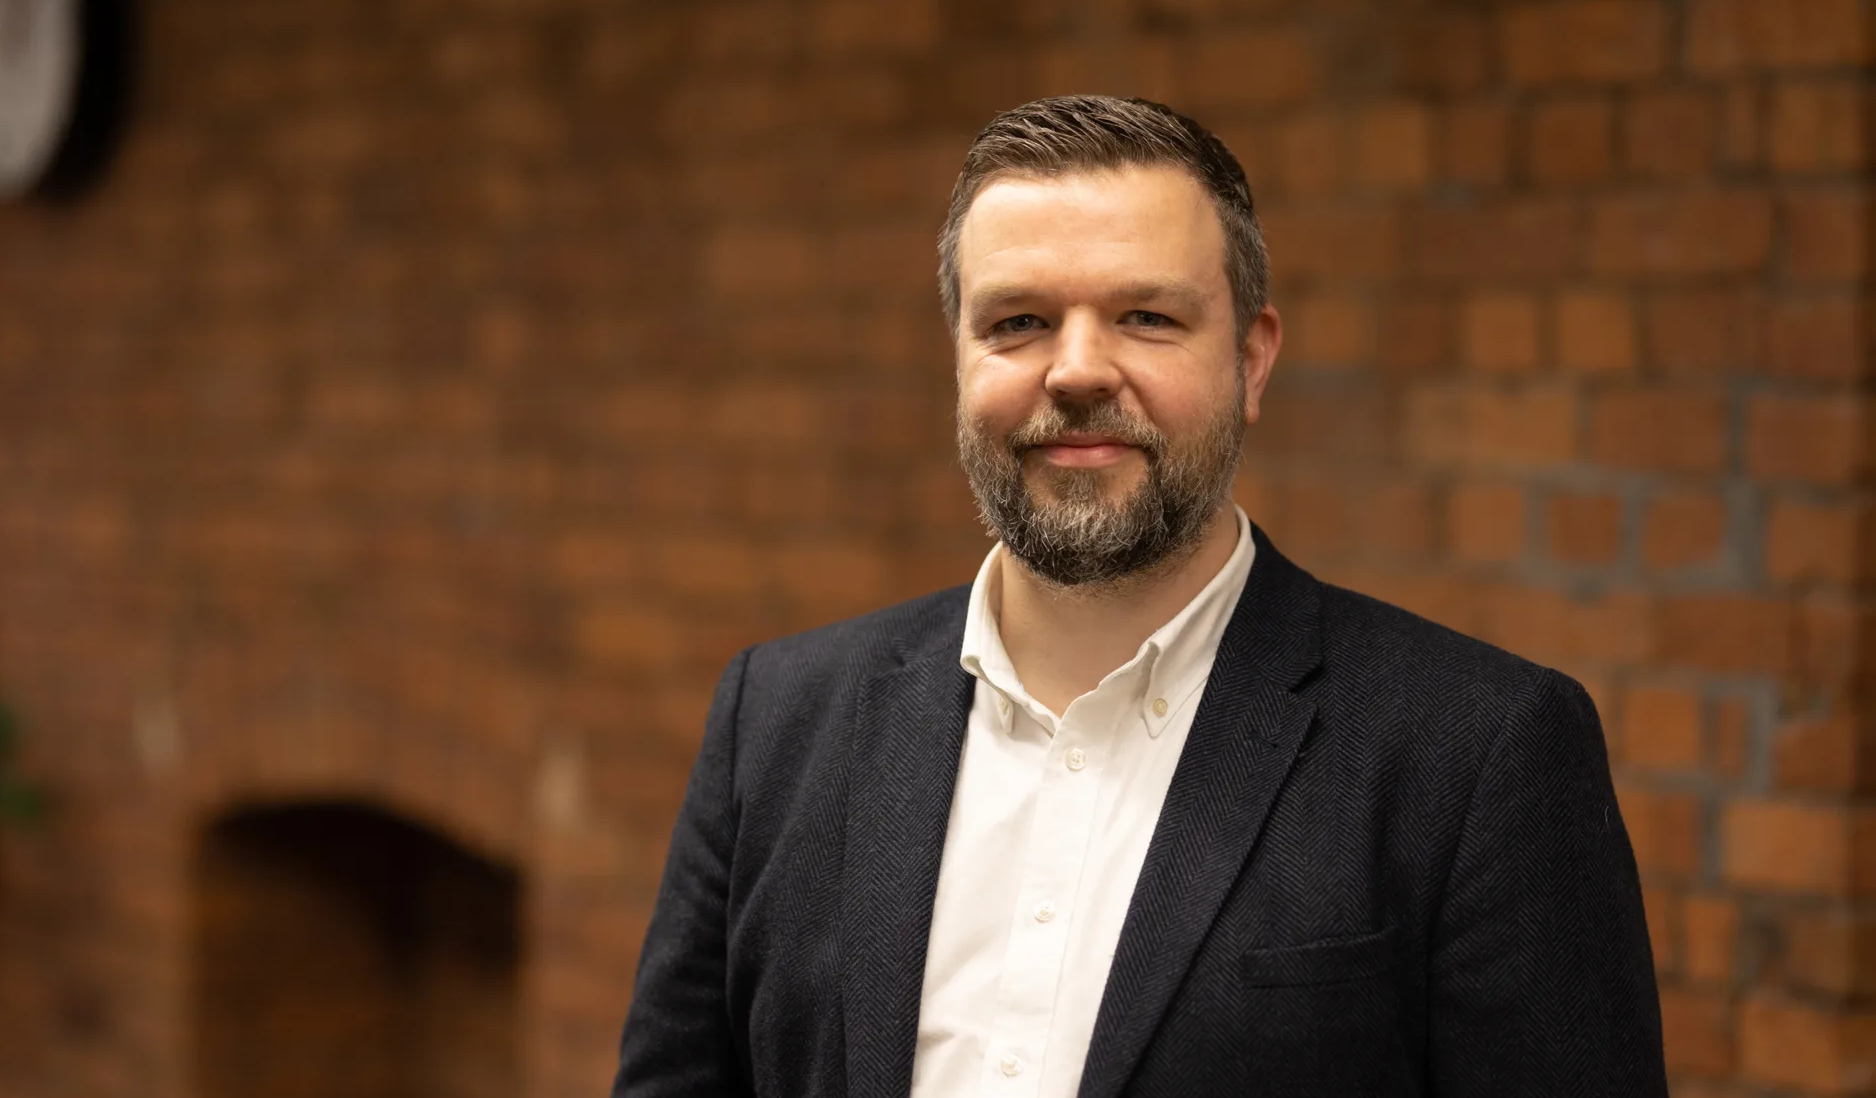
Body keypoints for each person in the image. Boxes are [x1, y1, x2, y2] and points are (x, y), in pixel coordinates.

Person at [613, 95, 1666, 1098]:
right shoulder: (778, 720)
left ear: (1250, 361)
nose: (1075, 370)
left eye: (1146, 316)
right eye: (1017, 320)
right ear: (958, 358)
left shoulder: (1474, 754)